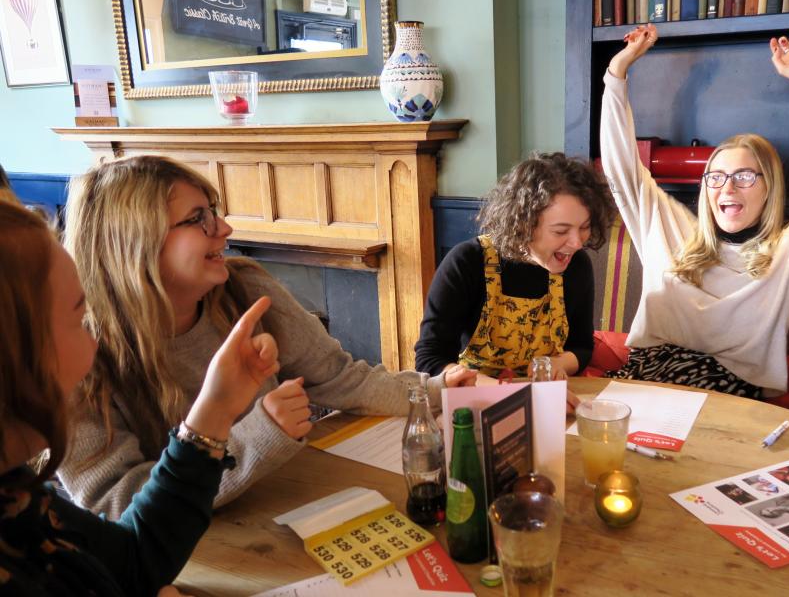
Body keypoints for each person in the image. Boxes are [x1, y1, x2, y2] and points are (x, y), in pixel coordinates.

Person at [57, 155, 477, 520]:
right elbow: (116, 507)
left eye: (214, 211)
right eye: (197, 218)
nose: (223, 228)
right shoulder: (75, 352)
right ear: (133, 244)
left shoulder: (244, 288)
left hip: (282, 505)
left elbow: (340, 377)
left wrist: (433, 389)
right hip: (191, 559)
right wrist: (260, 434)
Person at [0, 201, 278, 595]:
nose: (93, 344)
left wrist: (214, 410)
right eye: (79, 320)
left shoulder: (16, 491)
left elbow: (134, 561)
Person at [600, 25, 789, 398]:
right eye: (715, 177)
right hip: (645, 375)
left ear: (769, 187)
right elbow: (621, 170)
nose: (726, 188)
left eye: (744, 176)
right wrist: (616, 75)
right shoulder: (672, 232)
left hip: (726, 390)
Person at [414, 152, 615, 380]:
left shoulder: (576, 265)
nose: (577, 243)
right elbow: (429, 358)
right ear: (523, 224)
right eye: (561, 231)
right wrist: (484, 386)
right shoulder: (467, 262)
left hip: (543, 396)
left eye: (584, 227)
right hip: (475, 399)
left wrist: (559, 364)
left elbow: (582, 347)